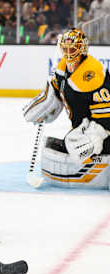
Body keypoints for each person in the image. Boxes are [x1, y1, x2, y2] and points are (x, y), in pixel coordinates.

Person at [23, 28, 110, 189]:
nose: (68, 53)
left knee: (75, 144)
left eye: (73, 49)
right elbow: (55, 93)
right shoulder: (63, 69)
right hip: (82, 127)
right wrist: (45, 107)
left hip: (103, 130)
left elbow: (106, 114)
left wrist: (96, 137)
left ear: (82, 49)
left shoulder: (92, 73)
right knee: (56, 146)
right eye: (65, 49)